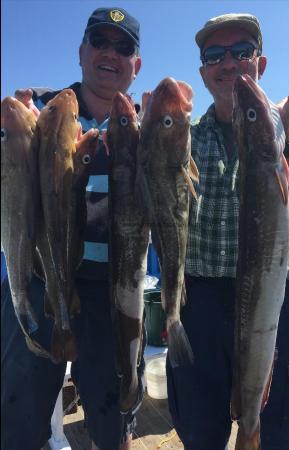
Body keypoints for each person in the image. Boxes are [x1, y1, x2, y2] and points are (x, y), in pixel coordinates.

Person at [166, 13, 289, 450]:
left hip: (275, 303)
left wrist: (281, 138)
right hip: (203, 306)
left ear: (261, 63)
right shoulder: (186, 139)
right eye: (215, 55)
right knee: (200, 431)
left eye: (241, 51)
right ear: (203, 72)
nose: (228, 63)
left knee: (275, 429)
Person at [1, 7, 143, 450]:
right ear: (81, 51)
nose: (110, 54)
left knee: (112, 415)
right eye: (99, 42)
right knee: (18, 414)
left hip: (113, 292)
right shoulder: (40, 110)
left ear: (135, 65)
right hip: (42, 279)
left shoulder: (144, 123)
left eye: (123, 48)